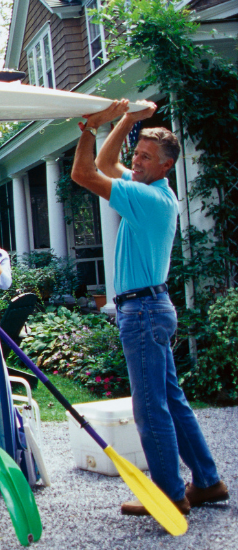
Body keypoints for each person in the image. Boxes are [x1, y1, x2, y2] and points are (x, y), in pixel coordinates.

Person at [71, 99, 228, 516]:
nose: (135, 160)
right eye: (136, 153)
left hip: (142, 313)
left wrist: (89, 126)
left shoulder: (150, 200)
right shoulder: (149, 191)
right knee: (171, 401)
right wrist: (127, 121)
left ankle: (168, 496)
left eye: (145, 157)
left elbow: (84, 172)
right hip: (149, 308)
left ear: (165, 166)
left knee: (150, 406)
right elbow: (107, 161)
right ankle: (208, 483)